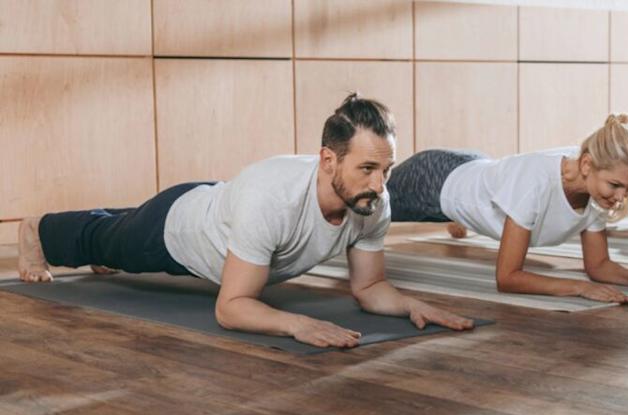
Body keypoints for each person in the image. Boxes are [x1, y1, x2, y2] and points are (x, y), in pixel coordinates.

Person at [17, 94, 474, 348]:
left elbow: (370, 288)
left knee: (115, 231)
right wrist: (296, 324)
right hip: (178, 230)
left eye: (387, 169)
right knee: (105, 242)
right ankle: (36, 228)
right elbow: (231, 307)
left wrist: (412, 304)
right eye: (368, 169)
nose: (380, 184)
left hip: (222, 208)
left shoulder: (371, 200)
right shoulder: (272, 199)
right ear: (328, 160)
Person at [385, 113, 628, 305]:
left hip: (477, 168)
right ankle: (457, 216)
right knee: (363, 206)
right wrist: (578, 289)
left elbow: (598, 266)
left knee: (479, 205)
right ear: (587, 165)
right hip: (436, 181)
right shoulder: (536, 183)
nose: (620, 197)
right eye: (615, 186)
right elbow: (507, 278)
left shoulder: (597, 193)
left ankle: (459, 219)